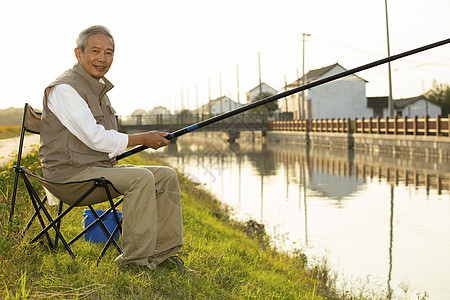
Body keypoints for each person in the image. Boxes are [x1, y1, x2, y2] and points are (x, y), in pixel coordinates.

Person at [39, 25, 189, 271]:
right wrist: (143, 138)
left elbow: (105, 143)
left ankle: (164, 255)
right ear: (78, 54)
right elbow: (96, 138)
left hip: (95, 169)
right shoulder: (65, 89)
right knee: (140, 178)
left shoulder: (99, 90)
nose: (102, 58)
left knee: (166, 175)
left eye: (109, 53)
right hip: (69, 177)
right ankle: (134, 261)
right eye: (95, 51)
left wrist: (145, 141)